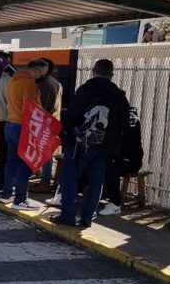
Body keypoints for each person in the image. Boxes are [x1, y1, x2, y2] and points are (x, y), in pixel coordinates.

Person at [51, 59, 129, 228]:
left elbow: (71, 116)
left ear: (94, 72)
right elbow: (123, 124)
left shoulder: (85, 90)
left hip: (79, 144)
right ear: (112, 74)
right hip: (104, 147)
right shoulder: (119, 96)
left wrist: (71, 135)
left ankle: (68, 216)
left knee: (70, 179)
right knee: (96, 182)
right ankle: (87, 218)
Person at [0, 58, 47, 210]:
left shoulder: (13, 80)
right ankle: (20, 199)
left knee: (11, 161)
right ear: (36, 71)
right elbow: (31, 108)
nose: (42, 77)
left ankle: (6, 193)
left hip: (10, 124)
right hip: (22, 126)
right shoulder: (29, 83)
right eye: (42, 73)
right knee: (24, 164)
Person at [99, 105, 143, 216]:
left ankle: (115, 204)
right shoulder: (121, 117)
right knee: (97, 163)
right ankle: (70, 193)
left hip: (130, 161)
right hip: (120, 158)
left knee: (111, 169)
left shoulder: (129, 120)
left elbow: (123, 140)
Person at [33, 58, 63, 192]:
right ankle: (44, 179)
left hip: (45, 121)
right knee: (47, 152)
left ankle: (45, 181)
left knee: (45, 153)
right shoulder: (56, 83)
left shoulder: (45, 84)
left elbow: (42, 106)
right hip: (54, 120)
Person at [0, 52, 14, 192]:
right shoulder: (9, 80)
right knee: (3, 154)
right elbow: (11, 102)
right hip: (3, 120)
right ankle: (1, 183)